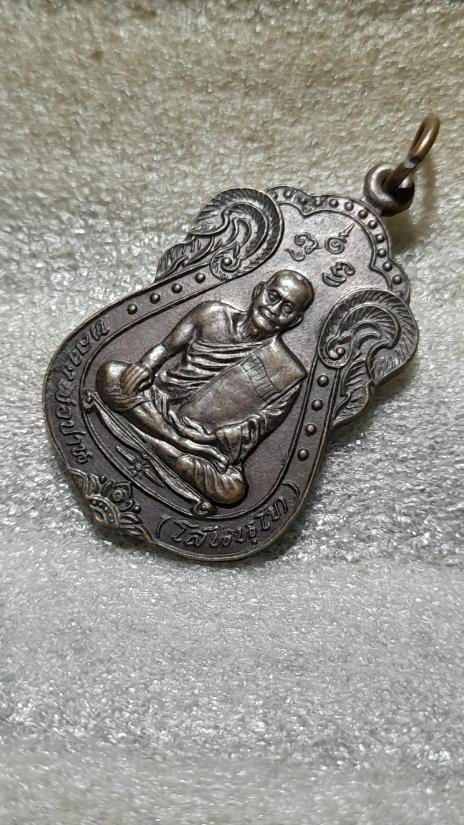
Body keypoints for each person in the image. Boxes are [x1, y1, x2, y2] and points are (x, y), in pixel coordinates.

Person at [96, 270, 314, 507]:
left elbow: (256, 428)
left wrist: (210, 437)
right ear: (258, 290)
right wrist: (146, 365)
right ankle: (177, 446)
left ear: (295, 321)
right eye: (273, 297)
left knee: (232, 489)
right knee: (111, 374)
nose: (274, 310)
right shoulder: (211, 313)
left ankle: (153, 436)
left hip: (205, 439)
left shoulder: (289, 374)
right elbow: (165, 348)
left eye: (287, 309)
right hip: (161, 403)